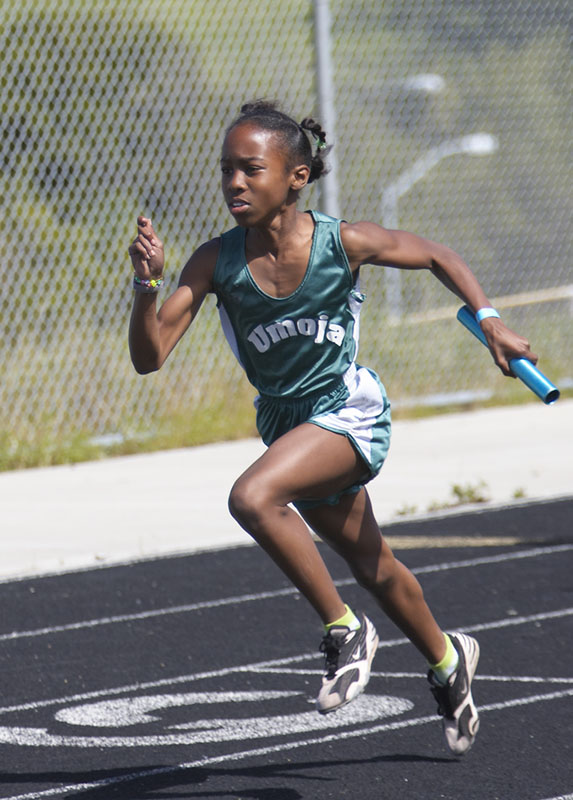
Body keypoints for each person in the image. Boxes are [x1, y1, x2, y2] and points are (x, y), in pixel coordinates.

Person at [128, 100, 537, 756]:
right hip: (289, 427)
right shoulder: (214, 262)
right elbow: (149, 357)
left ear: (296, 177)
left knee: (253, 497)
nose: (234, 182)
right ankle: (448, 659)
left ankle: (344, 630)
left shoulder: (341, 243)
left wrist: (490, 321)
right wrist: (145, 285)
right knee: (374, 566)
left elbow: (436, 255)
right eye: (226, 169)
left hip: (347, 411)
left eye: (250, 169)